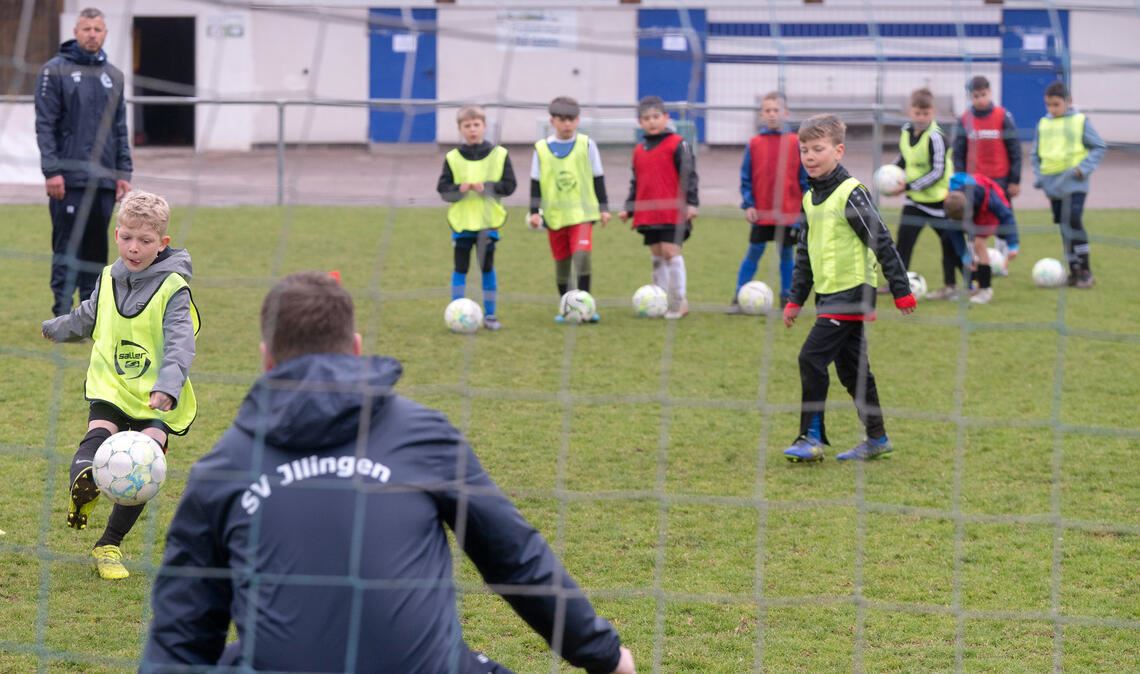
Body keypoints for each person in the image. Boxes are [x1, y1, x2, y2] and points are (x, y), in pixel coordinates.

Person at [139, 271, 636, 674]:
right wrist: (605, 656)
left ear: (266, 359)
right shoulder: (424, 435)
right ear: (356, 348)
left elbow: (181, 632)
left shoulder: (222, 468)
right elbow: (515, 558)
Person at [41, 190, 197, 580]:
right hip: (111, 384)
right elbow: (88, 316)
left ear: (162, 243)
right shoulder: (109, 275)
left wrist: (168, 387)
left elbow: (180, 342)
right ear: (116, 234)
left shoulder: (174, 288)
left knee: (147, 461)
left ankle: (109, 545)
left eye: (145, 240)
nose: (134, 247)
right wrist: (56, 328)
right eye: (127, 237)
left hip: (155, 395)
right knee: (99, 434)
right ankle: (85, 487)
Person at [782, 115, 915, 463]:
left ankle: (810, 438)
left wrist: (900, 289)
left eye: (818, 149)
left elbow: (881, 240)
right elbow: (804, 253)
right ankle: (877, 438)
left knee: (811, 357)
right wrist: (795, 299)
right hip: (828, 294)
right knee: (852, 370)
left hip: (853, 292)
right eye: (804, 150)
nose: (810, 156)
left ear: (838, 151)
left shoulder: (851, 193)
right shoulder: (810, 198)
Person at [35, 6, 132, 318]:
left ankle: (90, 318)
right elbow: (45, 125)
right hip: (68, 180)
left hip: (104, 180)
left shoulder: (113, 75)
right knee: (67, 248)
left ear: (105, 34)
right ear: (75, 32)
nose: (92, 34)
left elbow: (120, 128)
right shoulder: (54, 71)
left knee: (96, 252)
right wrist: (52, 171)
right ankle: (62, 316)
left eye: (97, 30)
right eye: (86, 29)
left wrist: (123, 171)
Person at [529, 96, 611, 323]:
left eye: (571, 119)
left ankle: (586, 307)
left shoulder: (587, 144)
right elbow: (535, 181)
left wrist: (604, 208)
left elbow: (598, 177)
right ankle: (566, 308)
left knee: (582, 257)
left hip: (583, 214)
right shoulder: (541, 148)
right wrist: (534, 211)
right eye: (562, 119)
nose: (567, 124)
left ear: (578, 120)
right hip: (555, 216)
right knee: (562, 264)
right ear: (552, 121)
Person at [618, 96, 700, 320]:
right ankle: (660, 301)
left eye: (656, 117)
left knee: (670, 252)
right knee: (656, 254)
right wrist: (629, 208)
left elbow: (689, 176)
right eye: (646, 118)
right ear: (640, 122)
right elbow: (637, 182)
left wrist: (692, 202)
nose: (652, 122)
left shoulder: (679, 144)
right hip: (648, 212)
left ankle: (679, 302)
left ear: (666, 117)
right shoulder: (639, 149)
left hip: (672, 210)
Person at [437, 105, 517, 331]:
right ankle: (456, 312)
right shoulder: (453, 157)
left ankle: (490, 315)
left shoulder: (499, 155)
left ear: (484, 126)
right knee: (460, 268)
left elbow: (509, 186)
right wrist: (459, 189)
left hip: (487, 223)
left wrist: (486, 188)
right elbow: (443, 189)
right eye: (467, 126)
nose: (472, 129)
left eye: (476, 125)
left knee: (487, 268)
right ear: (460, 129)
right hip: (462, 224)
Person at [728, 91, 808, 313]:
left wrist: (804, 208)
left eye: (776, 110)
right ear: (762, 114)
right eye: (767, 110)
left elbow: (804, 179)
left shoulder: (796, 142)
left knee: (786, 254)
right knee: (754, 251)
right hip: (761, 212)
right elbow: (746, 178)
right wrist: (749, 204)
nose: (772, 114)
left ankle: (787, 299)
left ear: (786, 113)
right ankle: (738, 297)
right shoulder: (754, 143)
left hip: (789, 212)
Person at [1031, 80, 1107, 288]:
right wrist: (1040, 177)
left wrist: (1082, 168)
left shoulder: (1080, 121)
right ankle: (1074, 272)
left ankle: (1086, 272)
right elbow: (1035, 154)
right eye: (1048, 105)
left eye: (1056, 104)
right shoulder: (1043, 123)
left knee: (1073, 220)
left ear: (1069, 101)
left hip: (1075, 184)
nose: (1052, 109)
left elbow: (1099, 146)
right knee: (1064, 226)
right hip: (1052, 186)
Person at [892, 87, 963, 301]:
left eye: (926, 113)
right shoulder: (906, 132)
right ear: (910, 111)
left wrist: (907, 186)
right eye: (917, 113)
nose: (921, 118)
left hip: (940, 201)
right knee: (903, 242)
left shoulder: (936, 137)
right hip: (915, 201)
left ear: (933, 112)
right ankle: (898, 284)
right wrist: (891, 173)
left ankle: (968, 282)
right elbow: (905, 158)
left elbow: (937, 171)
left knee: (951, 244)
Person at [951, 75, 1022, 260]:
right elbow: (958, 152)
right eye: (976, 96)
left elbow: (1015, 149)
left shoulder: (1002, 116)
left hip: (1000, 179)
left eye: (983, 94)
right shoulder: (965, 119)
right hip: (974, 183)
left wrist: (1015, 180)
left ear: (990, 92)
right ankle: (975, 257)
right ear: (970, 97)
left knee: (1002, 218)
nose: (980, 99)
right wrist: (960, 178)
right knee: (972, 219)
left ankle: (1003, 259)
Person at [944, 172, 1018, 305]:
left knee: (978, 243)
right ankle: (971, 288)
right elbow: (954, 233)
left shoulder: (986, 196)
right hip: (972, 210)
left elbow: (1007, 216)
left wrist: (1013, 245)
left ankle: (985, 290)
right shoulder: (950, 205)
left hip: (987, 212)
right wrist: (965, 256)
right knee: (952, 243)